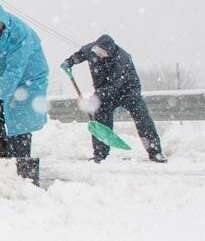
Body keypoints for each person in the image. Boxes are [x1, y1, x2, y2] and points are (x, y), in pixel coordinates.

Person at [60, 34, 166, 163]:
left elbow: (114, 86)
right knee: (100, 121)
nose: (98, 54)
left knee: (142, 119)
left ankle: (155, 153)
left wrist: (96, 97)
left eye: (101, 52)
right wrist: (70, 61)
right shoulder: (92, 49)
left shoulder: (122, 59)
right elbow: (81, 54)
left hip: (128, 91)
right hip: (104, 91)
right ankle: (100, 154)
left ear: (109, 51)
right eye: (97, 50)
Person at [0, 0, 48, 169]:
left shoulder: (19, 33)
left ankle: (20, 168)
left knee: (19, 124)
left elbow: (15, 70)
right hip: (3, 76)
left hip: (28, 79)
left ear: (0, 18)